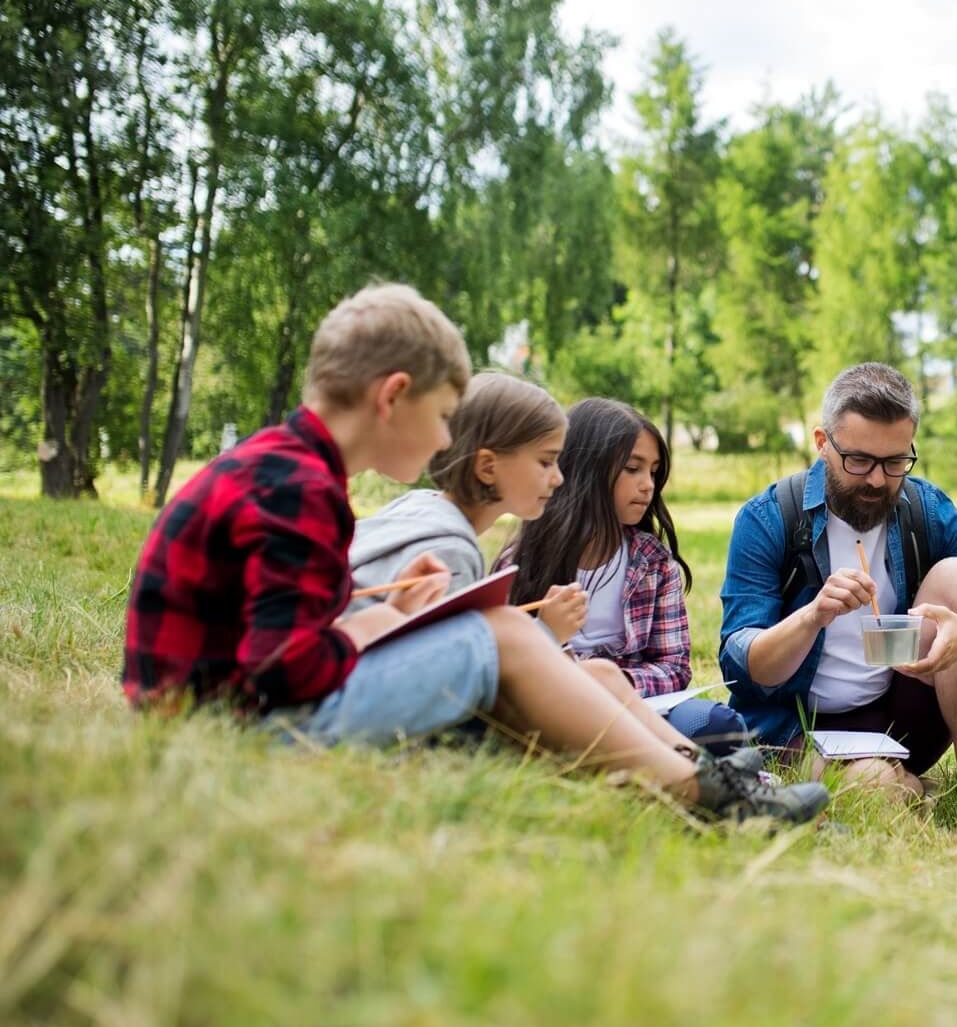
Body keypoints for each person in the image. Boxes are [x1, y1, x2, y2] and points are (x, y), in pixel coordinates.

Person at [122, 282, 827, 826]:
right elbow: (285, 672)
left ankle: (696, 778)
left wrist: (388, 611)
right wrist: (377, 627)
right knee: (504, 633)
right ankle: (698, 791)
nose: (440, 444)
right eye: (440, 418)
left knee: (524, 642)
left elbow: (272, 635)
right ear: (393, 396)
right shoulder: (301, 489)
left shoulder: (281, 467)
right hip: (230, 731)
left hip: (213, 712)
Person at [719, 362, 957, 797]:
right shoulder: (769, 518)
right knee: (875, 790)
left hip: (901, 719)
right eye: (858, 460)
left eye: (895, 461)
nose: (877, 479)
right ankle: (909, 789)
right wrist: (812, 616)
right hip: (796, 730)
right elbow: (742, 668)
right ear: (822, 443)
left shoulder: (923, 508)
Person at [500, 398, 751, 754]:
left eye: (653, 471)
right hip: (552, 704)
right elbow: (507, 667)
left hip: (640, 706)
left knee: (717, 726)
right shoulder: (522, 564)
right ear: (586, 469)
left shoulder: (652, 561)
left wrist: (617, 682)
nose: (648, 485)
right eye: (633, 469)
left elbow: (674, 668)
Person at [349, 370, 586, 642]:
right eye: (546, 462)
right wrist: (547, 634)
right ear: (487, 467)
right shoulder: (449, 553)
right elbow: (450, 671)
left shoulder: (418, 505)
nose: (558, 478)